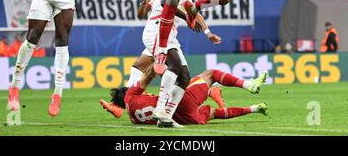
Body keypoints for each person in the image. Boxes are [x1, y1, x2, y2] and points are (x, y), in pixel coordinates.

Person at [100, 0, 222, 123]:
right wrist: (145, 2)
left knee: (149, 68)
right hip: (156, 34)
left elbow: (197, 15)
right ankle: (165, 105)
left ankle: (164, 105)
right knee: (162, 69)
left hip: (166, 36)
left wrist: (207, 32)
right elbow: (140, 14)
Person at [109, 65, 268, 127]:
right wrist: (158, 63)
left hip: (182, 118)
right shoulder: (130, 94)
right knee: (211, 74)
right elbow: (147, 77)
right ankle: (249, 85)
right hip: (180, 102)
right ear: (127, 92)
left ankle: (255, 109)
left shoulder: (132, 118)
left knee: (213, 113)